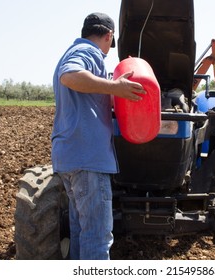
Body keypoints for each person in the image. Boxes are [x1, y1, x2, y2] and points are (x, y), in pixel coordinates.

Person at [51, 12, 146, 260]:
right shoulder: (89, 53)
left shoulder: (73, 52)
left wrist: (114, 90)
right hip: (88, 159)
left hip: (70, 158)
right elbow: (70, 75)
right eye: (109, 45)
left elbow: (88, 96)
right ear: (108, 36)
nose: (107, 52)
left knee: (82, 234)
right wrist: (115, 87)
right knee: (97, 238)